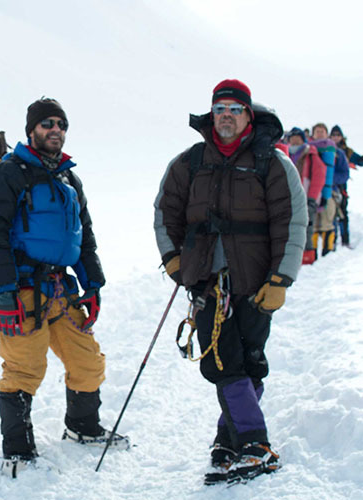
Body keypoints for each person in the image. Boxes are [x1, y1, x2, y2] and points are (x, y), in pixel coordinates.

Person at [154, 79, 307, 484]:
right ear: (211, 113)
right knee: (221, 360)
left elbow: (292, 223)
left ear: (248, 115)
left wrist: (281, 279)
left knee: (249, 361)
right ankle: (255, 443)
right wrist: (173, 261)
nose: (226, 115)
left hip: (257, 282)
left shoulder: (273, 164)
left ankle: (228, 440)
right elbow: (164, 212)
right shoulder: (189, 162)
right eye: (220, 108)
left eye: (234, 108)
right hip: (207, 282)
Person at [0, 97, 126, 477]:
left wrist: (93, 285)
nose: (54, 130)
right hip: (23, 290)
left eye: (60, 124)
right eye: (47, 124)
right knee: (24, 369)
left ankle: (83, 427)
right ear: (31, 131)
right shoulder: (7, 174)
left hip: (62, 289)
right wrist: (4, 291)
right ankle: (18, 449)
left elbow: (84, 236)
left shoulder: (69, 178)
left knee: (87, 362)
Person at [285, 127, 327, 264]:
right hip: (288, 198)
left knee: (306, 228)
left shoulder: (311, 155)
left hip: (306, 197)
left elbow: (318, 178)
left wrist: (312, 198)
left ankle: (307, 257)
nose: (295, 141)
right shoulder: (285, 154)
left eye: (298, 138)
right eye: (292, 138)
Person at [330, 125, 361, 247]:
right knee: (330, 215)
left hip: (341, 186)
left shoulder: (347, 151)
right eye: (334, 135)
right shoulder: (325, 148)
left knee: (342, 213)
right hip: (327, 185)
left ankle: (345, 240)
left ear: (342, 137)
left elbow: (360, 160)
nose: (336, 137)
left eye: (338, 135)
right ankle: (331, 242)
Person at [309, 123, 338, 257]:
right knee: (313, 224)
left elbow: (343, 171)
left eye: (322, 131)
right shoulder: (307, 150)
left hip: (330, 191)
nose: (320, 134)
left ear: (327, 134)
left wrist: (331, 180)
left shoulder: (336, 152)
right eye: (317, 131)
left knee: (327, 222)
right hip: (311, 191)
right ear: (312, 134)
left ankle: (328, 253)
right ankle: (312, 253)